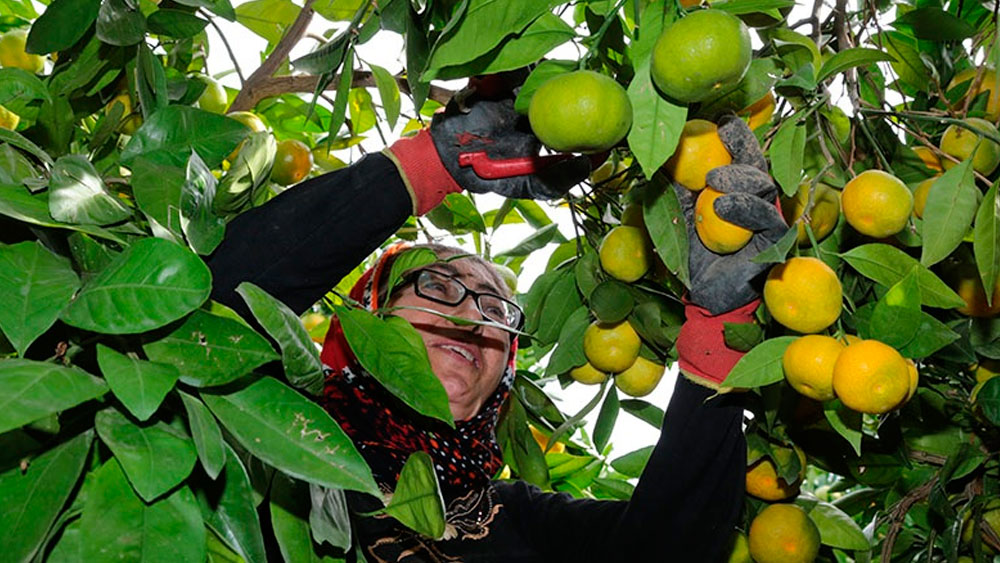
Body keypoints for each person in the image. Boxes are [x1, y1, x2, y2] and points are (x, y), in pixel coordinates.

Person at [207, 83, 787, 561]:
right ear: (363, 323)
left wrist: (720, 332)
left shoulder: (520, 520)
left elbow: (669, 550)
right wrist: (427, 166)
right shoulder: (263, 427)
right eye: (436, 286)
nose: (470, 317)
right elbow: (209, 301)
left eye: (495, 311)